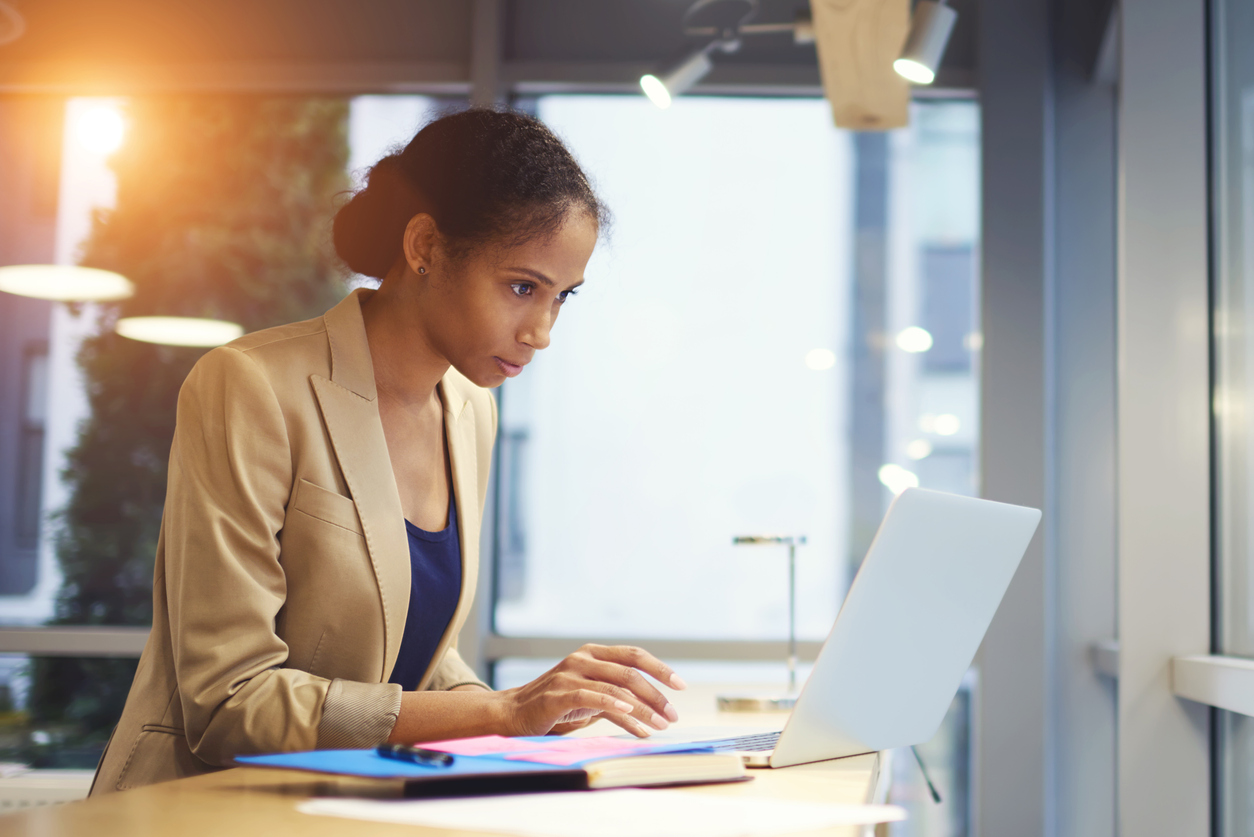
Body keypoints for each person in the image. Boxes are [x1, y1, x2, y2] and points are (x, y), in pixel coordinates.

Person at [91, 108, 686, 795]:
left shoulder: (471, 411)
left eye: (562, 297)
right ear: (426, 246)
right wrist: (503, 710)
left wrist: (537, 713)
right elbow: (230, 702)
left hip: (355, 806)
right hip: (202, 806)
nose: (542, 332)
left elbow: (414, 667)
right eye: (523, 287)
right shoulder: (251, 385)